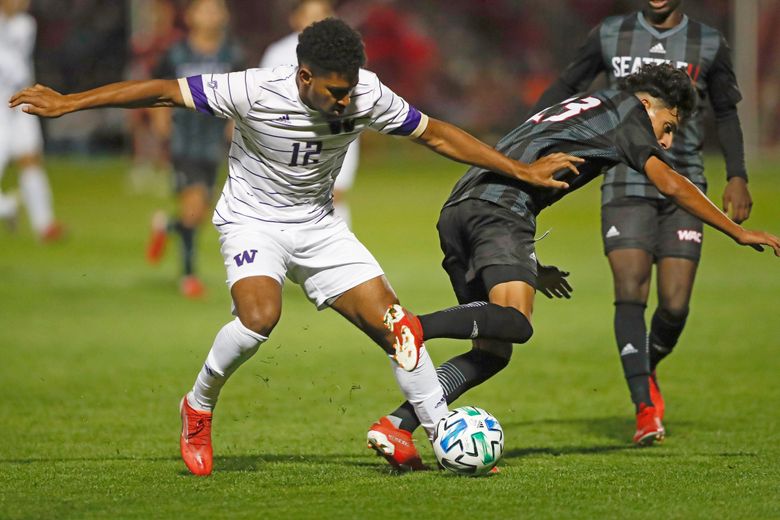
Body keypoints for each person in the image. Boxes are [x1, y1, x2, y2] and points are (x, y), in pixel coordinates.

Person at [10, 18, 583, 476]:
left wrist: (520, 170)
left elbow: (435, 133)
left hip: (319, 227)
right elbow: (162, 92)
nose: (344, 103)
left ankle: (438, 433)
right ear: (303, 76)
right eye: (334, 93)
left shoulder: (365, 95)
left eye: (350, 91)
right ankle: (198, 406)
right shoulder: (253, 89)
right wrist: (69, 103)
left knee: (396, 324)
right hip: (252, 222)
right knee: (260, 317)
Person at [366, 63, 780, 471]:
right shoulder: (629, 113)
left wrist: (531, 264)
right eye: (669, 126)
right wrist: (736, 232)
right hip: (500, 212)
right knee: (516, 320)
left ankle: (397, 425)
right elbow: (670, 182)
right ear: (649, 103)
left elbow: (531, 152)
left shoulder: (591, 105)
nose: (667, 141)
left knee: (493, 350)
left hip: (462, 209)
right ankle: (416, 326)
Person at [528, 0, 754, 442]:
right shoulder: (608, 34)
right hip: (625, 180)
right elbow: (566, 85)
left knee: (675, 302)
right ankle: (644, 406)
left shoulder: (708, 43)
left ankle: (644, 369)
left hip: (684, 182)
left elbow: (725, 112)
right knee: (630, 287)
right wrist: (527, 135)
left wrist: (738, 175)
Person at [145, 0, 245, 299]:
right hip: (184, 140)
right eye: (204, 9)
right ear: (189, 16)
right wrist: (160, 119)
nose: (211, 15)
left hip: (215, 143)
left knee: (199, 213)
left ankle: (166, 225)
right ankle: (188, 275)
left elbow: (242, 94)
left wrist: (235, 122)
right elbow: (155, 89)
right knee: (193, 206)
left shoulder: (233, 54)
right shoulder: (175, 53)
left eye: (216, 9)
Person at [259, 0, 360, 227]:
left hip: (329, 146)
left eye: (323, 14)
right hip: (286, 154)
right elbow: (262, 105)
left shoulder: (346, 55)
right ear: (296, 19)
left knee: (334, 230)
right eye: (311, 15)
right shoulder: (277, 54)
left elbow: (351, 117)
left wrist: (343, 175)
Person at [0, 0, 62, 240]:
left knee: (31, 158)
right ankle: (6, 208)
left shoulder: (26, 25)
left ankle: (44, 224)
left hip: (19, 101)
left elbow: (13, 64)